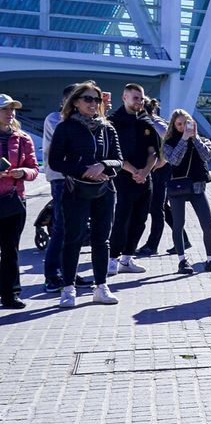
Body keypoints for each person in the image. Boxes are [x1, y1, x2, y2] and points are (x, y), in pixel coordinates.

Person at [50, 83, 124, 307]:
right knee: (73, 239)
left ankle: (101, 287)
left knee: (102, 239)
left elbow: (118, 160)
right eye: (88, 99)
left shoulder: (107, 128)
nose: (93, 103)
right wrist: (84, 170)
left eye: (97, 100)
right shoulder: (65, 127)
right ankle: (68, 289)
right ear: (75, 102)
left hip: (104, 190)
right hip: (76, 190)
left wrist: (102, 165)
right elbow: (55, 161)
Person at [107, 83, 161, 277]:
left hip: (145, 179)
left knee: (140, 220)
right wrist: (133, 171)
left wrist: (145, 171)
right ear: (125, 97)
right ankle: (112, 259)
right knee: (121, 219)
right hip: (122, 178)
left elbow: (153, 152)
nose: (139, 102)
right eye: (135, 98)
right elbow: (113, 153)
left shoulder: (146, 121)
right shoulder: (113, 121)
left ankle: (127, 259)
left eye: (141, 98)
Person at [40, 83, 89, 295]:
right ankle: (52, 275)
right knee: (60, 227)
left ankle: (69, 271)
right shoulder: (54, 119)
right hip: (61, 178)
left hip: (80, 179)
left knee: (75, 228)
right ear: (67, 101)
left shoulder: (86, 121)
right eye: (81, 99)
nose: (86, 104)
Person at [163, 109, 211, 274]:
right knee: (178, 224)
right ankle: (182, 261)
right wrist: (183, 140)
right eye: (179, 124)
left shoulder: (202, 140)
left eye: (186, 123)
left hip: (197, 187)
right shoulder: (168, 142)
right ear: (174, 126)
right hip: (177, 188)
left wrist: (195, 137)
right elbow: (174, 160)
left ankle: (210, 260)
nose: (183, 127)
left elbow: (207, 155)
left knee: (207, 224)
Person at [0, 94, 39, 309]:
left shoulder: (23, 138)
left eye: (12, 109)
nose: (10, 113)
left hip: (14, 201)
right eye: (5, 109)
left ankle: (10, 294)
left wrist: (22, 172)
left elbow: (34, 168)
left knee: (10, 249)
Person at [135, 97, 175, 258]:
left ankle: (152, 245)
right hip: (157, 169)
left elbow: (170, 142)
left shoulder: (156, 124)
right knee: (161, 206)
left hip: (161, 170)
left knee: (156, 208)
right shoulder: (150, 122)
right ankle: (184, 239)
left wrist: (161, 161)